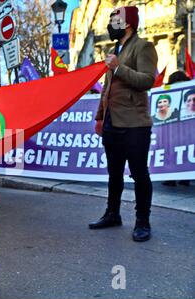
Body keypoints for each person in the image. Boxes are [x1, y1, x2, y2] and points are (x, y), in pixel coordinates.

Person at [90, 6, 158, 242]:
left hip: (135, 124)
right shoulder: (114, 49)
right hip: (112, 122)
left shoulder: (143, 47)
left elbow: (148, 80)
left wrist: (118, 67)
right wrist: (100, 116)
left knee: (139, 173)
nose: (110, 25)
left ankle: (142, 221)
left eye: (114, 21)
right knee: (114, 173)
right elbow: (106, 91)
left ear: (127, 24)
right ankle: (112, 214)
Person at [162, 71, 191, 187]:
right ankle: (171, 178)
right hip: (172, 129)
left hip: (187, 129)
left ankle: (185, 177)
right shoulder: (167, 93)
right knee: (171, 152)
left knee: (186, 151)